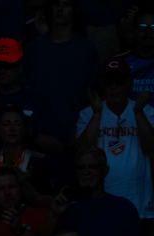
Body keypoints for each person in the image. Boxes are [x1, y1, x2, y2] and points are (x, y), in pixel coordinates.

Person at [76, 57, 154, 221]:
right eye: (109, 82)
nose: (114, 87)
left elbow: (150, 148)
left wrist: (138, 112)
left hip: (139, 201)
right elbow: (82, 151)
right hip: (100, 201)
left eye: (119, 81)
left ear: (129, 83)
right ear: (102, 85)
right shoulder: (88, 113)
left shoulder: (146, 111)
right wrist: (97, 114)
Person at [23, 0, 96, 146]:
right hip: (40, 132)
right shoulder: (33, 49)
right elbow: (26, 90)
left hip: (77, 131)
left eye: (66, 4)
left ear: (74, 10)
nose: (60, 9)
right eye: (56, 4)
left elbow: (93, 93)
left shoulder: (86, 49)